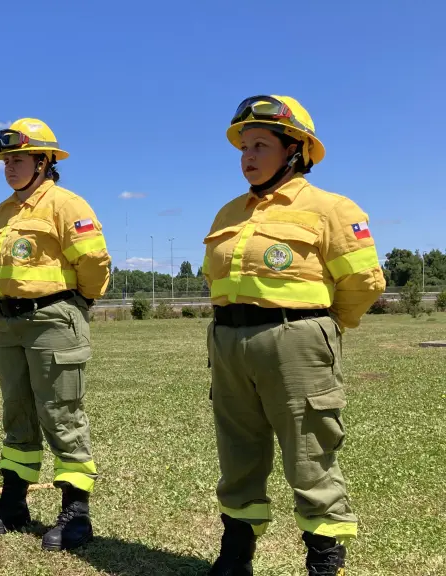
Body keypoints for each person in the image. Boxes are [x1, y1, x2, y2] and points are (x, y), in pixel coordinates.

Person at [203, 95, 386, 576]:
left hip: (296, 341)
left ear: (295, 150)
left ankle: (324, 562)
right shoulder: (228, 214)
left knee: (310, 455)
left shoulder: (330, 208)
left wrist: (320, 327)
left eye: (261, 144)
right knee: (238, 453)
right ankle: (236, 554)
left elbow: (364, 283)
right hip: (228, 344)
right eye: (244, 146)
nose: (248, 155)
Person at [0, 118, 111, 552]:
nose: (9, 167)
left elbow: (95, 264)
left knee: (61, 413)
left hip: (53, 317)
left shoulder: (66, 205)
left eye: (18, 159)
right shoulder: (1, 214)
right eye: (6, 160)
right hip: (8, 322)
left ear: (44, 161)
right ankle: (15, 502)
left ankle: (76, 512)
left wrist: (78, 303)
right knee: (17, 413)